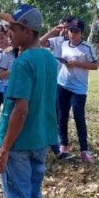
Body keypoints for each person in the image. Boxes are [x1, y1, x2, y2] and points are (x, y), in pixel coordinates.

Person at [0, 4, 58, 198]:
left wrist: (4, 149)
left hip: (18, 144)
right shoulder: (49, 59)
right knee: (33, 197)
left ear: (28, 32)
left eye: (14, 28)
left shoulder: (22, 63)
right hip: (40, 139)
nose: (9, 32)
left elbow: (20, 111)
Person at [40, 18, 99, 163]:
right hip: (62, 84)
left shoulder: (87, 47)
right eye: (71, 30)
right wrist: (55, 30)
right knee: (62, 116)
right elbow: (40, 43)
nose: (73, 34)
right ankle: (63, 146)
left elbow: (95, 65)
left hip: (78, 89)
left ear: (81, 33)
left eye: (76, 31)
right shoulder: (63, 44)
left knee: (79, 117)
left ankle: (84, 150)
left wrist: (77, 63)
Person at [42, 16, 76, 161]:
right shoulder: (56, 41)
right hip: (53, 82)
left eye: (69, 27)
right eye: (64, 27)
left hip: (69, 84)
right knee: (52, 114)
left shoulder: (75, 44)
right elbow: (39, 43)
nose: (66, 30)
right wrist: (52, 31)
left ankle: (61, 145)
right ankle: (56, 146)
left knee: (62, 115)